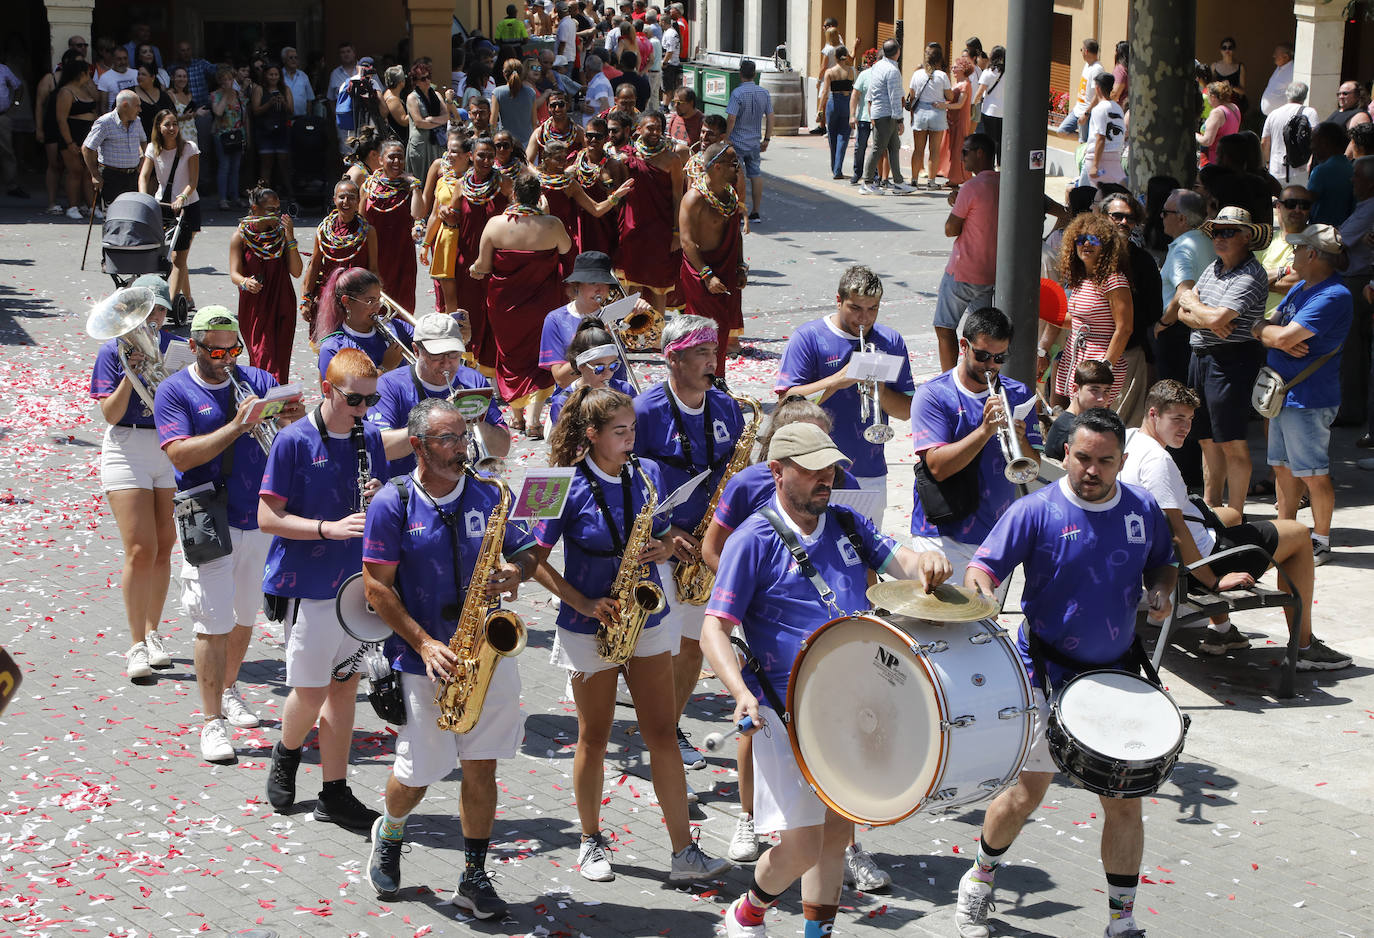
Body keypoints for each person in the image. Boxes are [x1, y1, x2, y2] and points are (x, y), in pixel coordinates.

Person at [700, 423, 952, 938]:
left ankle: (819, 934)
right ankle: (745, 914)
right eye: (812, 470)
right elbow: (714, 629)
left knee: (836, 834)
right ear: (777, 472)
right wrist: (741, 693)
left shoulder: (847, 522)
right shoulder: (752, 540)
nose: (826, 478)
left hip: (853, 704)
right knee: (804, 843)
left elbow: (902, 563)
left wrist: (924, 560)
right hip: (784, 710)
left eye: (830, 468)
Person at [953, 408, 1176, 938]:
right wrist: (981, 591)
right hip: (1046, 672)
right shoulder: (1035, 510)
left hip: (1118, 673)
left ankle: (1121, 923)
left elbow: (1163, 562)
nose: (1092, 470)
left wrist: (1163, 590)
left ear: (1123, 460)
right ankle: (979, 880)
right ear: (1064, 456)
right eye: (1082, 458)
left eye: (1105, 460)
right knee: (1028, 792)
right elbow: (982, 568)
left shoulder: (1142, 507)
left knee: (1124, 803)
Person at [529, 387, 733, 885]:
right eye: (619, 432)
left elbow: (665, 531)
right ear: (591, 434)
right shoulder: (555, 481)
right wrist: (578, 601)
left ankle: (684, 850)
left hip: (645, 617)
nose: (630, 440)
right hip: (588, 622)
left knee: (662, 733)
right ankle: (590, 839)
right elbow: (528, 558)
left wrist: (666, 545)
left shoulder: (649, 474)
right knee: (593, 738)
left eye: (634, 430)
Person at [362, 398, 537, 917]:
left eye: (462, 438)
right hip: (427, 658)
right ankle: (389, 831)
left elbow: (526, 551)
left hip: (488, 652)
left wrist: (518, 572)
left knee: (481, 769)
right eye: (447, 440)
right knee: (419, 773)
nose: (461, 448)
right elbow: (376, 587)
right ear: (417, 445)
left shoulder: (490, 492)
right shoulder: (392, 502)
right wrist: (422, 642)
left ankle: (474, 876)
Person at [154, 307, 306, 761]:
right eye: (216, 350)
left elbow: (295, 439)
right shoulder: (175, 390)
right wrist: (238, 426)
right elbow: (180, 456)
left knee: (244, 616)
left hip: (257, 515)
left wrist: (292, 419)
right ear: (195, 346)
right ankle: (211, 722)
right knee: (211, 622)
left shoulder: (256, 380)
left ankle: (229, 688)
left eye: (233, 348)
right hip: (206, 513)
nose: (226, 358)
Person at [1121, 380, 1350, 670]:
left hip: (1156, 560)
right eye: (1177, 419)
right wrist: (1213, 581)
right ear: (1153, 414)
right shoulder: (1157, 461)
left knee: (1230, 514)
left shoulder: (1130, 440)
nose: (1185, 427)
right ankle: (1305, 647)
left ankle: (1222, 631)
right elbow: (1177, 534)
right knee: (1299, 534)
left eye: (1190, 420)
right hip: (1195, 565)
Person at [259, 347, 388, 827]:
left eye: (371, 401)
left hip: (356, 582)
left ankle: (335, 791)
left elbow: (388, 504)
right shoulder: (293, 440)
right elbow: (266, 516)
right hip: (310, 581)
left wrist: (381, 498)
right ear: (327, 390)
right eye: (355, 401)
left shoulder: (369, 438)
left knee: (344, 688)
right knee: (310, 691)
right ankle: (287, 752)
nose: (364, 411)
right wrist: (326, 528)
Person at [631, 316, 747, 779]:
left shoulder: (727, 407)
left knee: (696, 648)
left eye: (714, 352)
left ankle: (669, 728)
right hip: (666, 544)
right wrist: (661, 534)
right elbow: (628, 479)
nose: (712, 362)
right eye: (702, 353)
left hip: (708, 542)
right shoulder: (644, 411)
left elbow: (735, 474)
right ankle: (658, 737)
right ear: (672, 358)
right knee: (668, 650)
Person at [910, 307, 1041, 591]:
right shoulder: (933, 395)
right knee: (942, 628)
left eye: (999, 358)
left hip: (995, 536)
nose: (990, 365)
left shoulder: (1018, 395)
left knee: (984, 629)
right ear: (964, 346)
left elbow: (1032, 468)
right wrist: (984, 431)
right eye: (982, 355)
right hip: (942, 534)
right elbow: (936, 467)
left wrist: (1023, 441)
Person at [90, 274, 180, 681]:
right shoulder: (113, 350)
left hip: (167, 447)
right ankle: (135, 645)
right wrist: (132, 373)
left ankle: (154, 632)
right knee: (140, 549)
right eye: (149, 310)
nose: (155, 317)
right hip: (127, 447)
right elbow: (109, 414)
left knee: (165, 547)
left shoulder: (177, 348)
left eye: (160, 310)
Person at [776, 265, 915, 525]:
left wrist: (880, 390)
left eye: (872, 308)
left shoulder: (892, 341)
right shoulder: (808, 338)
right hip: (813, 469)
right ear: (838, 301)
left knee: (868, 558)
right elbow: (786, 403)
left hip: (869, 470)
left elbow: (906, 411)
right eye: (856, 308)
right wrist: (840, 379)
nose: (864, 318)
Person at [1253, 225, 1352, 567]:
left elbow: (1277, 334)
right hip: (1286, 395)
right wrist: (1270, 332)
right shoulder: (1300, 287)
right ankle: (1286, 533)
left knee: (1313, 473)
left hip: (1308, 398)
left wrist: (1271, 333)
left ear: (1312, 254)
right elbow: (1266, 327)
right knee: (1282, 469)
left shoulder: (1334, 295)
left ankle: (1320, 541)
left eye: (1297, 249)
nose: (1292, 254)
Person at [1176, 206, 1271, 513]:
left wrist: (1193, 304)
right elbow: (1182, 312)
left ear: (1246, 237)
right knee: (1205, 438)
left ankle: (1236, 513)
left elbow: (1215, 314)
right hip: (1202, 357)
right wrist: (1202, 313)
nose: (1220, 237)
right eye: (1217, 231)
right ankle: (1212, 506)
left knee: (1231, 440)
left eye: (1228, 232)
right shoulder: (1214, 267)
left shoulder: (1252, 273)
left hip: (1232, 360)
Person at [471, 171, 572, 436]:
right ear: (539, 196)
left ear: (514, 194)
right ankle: (533, 419)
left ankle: (516, 416)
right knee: (539, 355)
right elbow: (565, 249)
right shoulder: (552, 224)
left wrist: (474, 269)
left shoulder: (495, 224)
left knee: (511, 356)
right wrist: (546, 214)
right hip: (542, 302)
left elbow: (483, 265)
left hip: (505, 304)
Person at [369, 313, 509, 478]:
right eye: (437, 355)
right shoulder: (389, 385)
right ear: (416, 350)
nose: (447, 363)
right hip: (410, 487)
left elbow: (503, 447)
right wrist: (436, 421)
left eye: (454, 354)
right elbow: (381, 448)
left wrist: (476, 423)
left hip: (465, 482)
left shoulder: (473, 380)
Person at [1047, 212, 1132, 405]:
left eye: (1094, 239)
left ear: (1107, 245)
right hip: (1074, 357)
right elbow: (1079, 321)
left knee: (1090, 425)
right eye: (1081, 239)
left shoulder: (1113, 280)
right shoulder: (1081, 279)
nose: (1086, 244)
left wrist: (1105, 368)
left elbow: (1125, 328)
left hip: (1098, 363)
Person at [679, 142, 747, 374]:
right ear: (717, 167)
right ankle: (698, 380)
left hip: (726, 270)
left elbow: (736, 233)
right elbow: (687, 242)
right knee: (702, 333)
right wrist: (707, 276)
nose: (737, 169)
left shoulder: (730, 196)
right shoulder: (694, 199)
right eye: (733, 164)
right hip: (701, 274)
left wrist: (740, 266)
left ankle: (716, 380)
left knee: (722, 330)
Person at [934, 133, 999, 370]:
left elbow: (950, 229)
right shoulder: (1005, 182)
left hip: (963, 272)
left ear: (979, 153)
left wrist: (959, 200)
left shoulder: (972, 187)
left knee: (944, 326)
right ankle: (977, 375)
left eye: (965, 152)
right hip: (990, 275)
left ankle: (948, 377)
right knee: (980, 333)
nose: (962, 158)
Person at [614, 112, 685, 329]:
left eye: (658, 128)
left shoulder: (672, 160)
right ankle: (628, 333)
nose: (654, 132)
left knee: (659, 285)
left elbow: (677, 198)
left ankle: (658, 334)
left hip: (660, 230)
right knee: (630, 284)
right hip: (631, 228)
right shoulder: (625, 157)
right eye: (649, 128)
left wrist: (676, 233)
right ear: (638, 129)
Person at [1098, 194, 1162, 426]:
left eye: (1131, 218)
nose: (1124, 222)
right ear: (1102, 217)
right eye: (1117, 216)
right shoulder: (1087, 255)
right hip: (1086, 353)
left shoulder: (1143, 261)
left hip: (1126, 356)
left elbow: (1153, 311)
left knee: (1118, 428)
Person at [229, 185, 301, 383]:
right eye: (271, 210)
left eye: (278, 209)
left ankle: (277, 406)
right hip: (255, 306)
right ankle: (264, 403)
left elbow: (296, 271)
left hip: (283, 302)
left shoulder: (280, 235)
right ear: (254, 210)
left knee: (281, 359)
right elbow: (234, 273)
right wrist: (245, 281)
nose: (276, 214)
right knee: (262, 356)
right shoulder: (240, 237)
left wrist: (290, 238)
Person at [139, 109, 201, 310]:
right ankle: (188, 298)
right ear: (159, 127)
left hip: (187, 206)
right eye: (167, 124)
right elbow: (144, 176)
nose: (172, 128)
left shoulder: (189, 148)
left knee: (178, 257)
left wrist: (182, 196)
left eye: (175, 124)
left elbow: (193, 180)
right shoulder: (152, 148)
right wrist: (143, 198)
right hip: (162, 205)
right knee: (175, 256)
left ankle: (170, 303)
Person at [300, 179, 379, 334]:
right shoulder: (324, 230)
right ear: (334, 200)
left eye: (351, 197)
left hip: (358, 297)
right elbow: (315, 265)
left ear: (358, 201)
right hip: (328, 297)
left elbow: (373, 269)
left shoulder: (368, 232)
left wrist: (374, 300)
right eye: (342, 197)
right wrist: (306, 299)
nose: (346, 202)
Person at [1154, 188, 1215, 385]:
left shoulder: (1182, 248)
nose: (1161, 217)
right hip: (1199, 328)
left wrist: (1163, 323)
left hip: (1178, 331)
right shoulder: (1209, 242)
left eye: (1165, 213)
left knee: (1173, 394)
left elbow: (1184, 291)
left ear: (1181, 219)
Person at [362, 138, 424, 316]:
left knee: (402, 303)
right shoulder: (369, 186)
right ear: (380, 159)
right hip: (375, 254)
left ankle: (400, 341)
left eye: (400, 157)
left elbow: (418, 213)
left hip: (402, 254)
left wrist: (415, 186)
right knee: (373, 300)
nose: (397, 162)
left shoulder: (409, 186)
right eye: (392, 157)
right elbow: (360, 221)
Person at [546, 319, 639, 424]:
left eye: (613, 366)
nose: (608, 374)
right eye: (599, 369)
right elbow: (563, 439)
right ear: (581, 366)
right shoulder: (563, 402)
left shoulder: (625, 390)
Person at [1339, 158, 1374, 429]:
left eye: (1357, 177)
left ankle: (1351, 410)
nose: (1352, 181)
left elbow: (1337, 239)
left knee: (1352, 353)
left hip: (1359, 282)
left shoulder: (1369, 208)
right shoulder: (1363, 206)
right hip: (1359, 280)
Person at [860, 40, 911, 195]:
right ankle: (867, 182)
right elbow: (895, 97)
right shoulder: (892, 71)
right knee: (878, 148)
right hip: (886, 114)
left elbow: (872, 90)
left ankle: (899, 182)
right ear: (897, 52)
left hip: (879, 112)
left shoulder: (877, 66)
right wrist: (900, 120)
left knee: (894, 147)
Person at [725, 59, 773, 222]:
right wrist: (767, 138)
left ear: (740, 74)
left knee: (737, 175)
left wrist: (726, 137)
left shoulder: (737, 93)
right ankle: (756, 212)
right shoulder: (764, 93)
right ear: (754, 74)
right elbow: (771, 117)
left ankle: (739, 211)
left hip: (737, 140)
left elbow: (731, 118)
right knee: (755, 174)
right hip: (754, 141)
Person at [82, 89, 146, 210]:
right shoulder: (105, 122)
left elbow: (143, 140)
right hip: (111, 176)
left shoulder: (137, 121)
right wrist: (95, 174)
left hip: (132, 175)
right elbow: (87, 148)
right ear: (125, 105)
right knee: (112, 214)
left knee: (130, 213)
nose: (140, 110)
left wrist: (142, 157)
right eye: (137, 106)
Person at [54, 55, 100, 218]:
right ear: (80, 73)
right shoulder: (66, 92)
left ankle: (91, 206)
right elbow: (61, 119)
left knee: (89, 171)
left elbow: (97, 98)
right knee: (75, 171)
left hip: (88, 135)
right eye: (87, 73)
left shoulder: (85, 89)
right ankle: (73, 206)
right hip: (72, 134)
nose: (89, 76)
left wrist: (90, 84)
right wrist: (69, 142)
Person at [1259, 185, 1314, 317]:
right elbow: (1248, 280)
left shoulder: (1317, 240)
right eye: (1291, 204)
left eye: (1304, 205)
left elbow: (1303, 282)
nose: (1297, 209)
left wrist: (1264, 283)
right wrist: (1285, 272)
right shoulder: (1265, 242)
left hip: (1299, 326)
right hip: (1262, 326)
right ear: (1278, 207)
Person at [1044, 359, 1114, 461]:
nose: (1102, 399)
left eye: (1106, 391)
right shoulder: (1073, 430)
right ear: (1075, 390)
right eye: (1094, 390)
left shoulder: (1079, 424)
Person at [906, 42, 952, 189]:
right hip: (937, 112)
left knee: (918, 149)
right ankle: (931, 182)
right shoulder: (942, 76)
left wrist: (912, 115)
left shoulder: (917, 74)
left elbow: (912, 96)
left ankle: (914, 180)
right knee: (934, 150)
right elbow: (949, 95)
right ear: (940, 59)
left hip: (920, 112)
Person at [1261, 82, 1319, 185]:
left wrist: (1268, 163)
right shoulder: (1310, 112)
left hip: (1276, 169)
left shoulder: (1273, 114)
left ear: (1287, 94)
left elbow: (1265, 143)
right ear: (1305, 95)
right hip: (1301, 171)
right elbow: (1316, 140)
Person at [251, 64, 294, 196]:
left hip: (281, 130)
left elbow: (291, 111)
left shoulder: (285, 89)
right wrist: (269, 103)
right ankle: (264, 196)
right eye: (271, 74)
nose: (273, 77)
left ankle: (289, 195)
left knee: (283, 164)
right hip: (265, 131)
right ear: (265, 75)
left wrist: (283, 102)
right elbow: (255, 111)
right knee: (266, 165)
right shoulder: (259, 89)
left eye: (276, 74)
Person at [406, 61, 454, 179]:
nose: (427, 81)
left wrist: (432, 119)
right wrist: (438, 122)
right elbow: (419, 123)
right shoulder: (412, 97)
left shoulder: (436, 95)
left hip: (437, 143)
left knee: (438, 177)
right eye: (423, 79)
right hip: (420, 145)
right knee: (421, 179)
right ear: (416, 81)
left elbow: (446, 116)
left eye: (428, 77)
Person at [1079, 72, 1126, 188]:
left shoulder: (1099, 109)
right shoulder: (1118, 108)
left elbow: (1100, 137)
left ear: (1097, 88)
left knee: (1084, 194)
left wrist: (1095, 165)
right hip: (1115, 157)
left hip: (1097, 159)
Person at [817, 47, 855, 180]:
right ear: (845, 56)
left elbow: (825, 92)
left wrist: (820, 110)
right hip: (846, 103)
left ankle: (835, 167)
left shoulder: (830, 72)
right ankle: (838, 168)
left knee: (832, 136)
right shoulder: (851, 71)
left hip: (833, 103)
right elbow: (854, 91)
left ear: (835, 57)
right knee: (844, 137)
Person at [1306, 121, 1355, 226]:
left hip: (1321, 234)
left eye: (1314, 141)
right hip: (1344, 232)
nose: (1311, 147)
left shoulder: (1321, 171)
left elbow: (1305, 204)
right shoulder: (1351, 168)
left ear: (1325, 143)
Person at [210, 66, 245, 209]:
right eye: (224, 80)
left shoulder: (239, 95)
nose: (227, 82)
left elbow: (244, 115)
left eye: (230, 79)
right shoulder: (215, 95)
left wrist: (246, 135)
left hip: (237, 132)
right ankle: (223, 199)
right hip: (222, 134)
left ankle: (235, 197)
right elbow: (218, 112)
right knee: (224, 165)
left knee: (236, 167)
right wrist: (226, 94)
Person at [1059, 38, 1104, 141]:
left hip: (1086, 113)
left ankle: (1087, 142)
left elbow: (1098, 95)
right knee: (1062, 131)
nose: (1081, 52)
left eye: (1081, 49)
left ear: (1086, 51)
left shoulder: (1097, 69)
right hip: (1077, 110)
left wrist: (1086, 113)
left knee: (1083, 144)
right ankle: (1087, 140)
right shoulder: (1087, 65)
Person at [527, 88, 585, 164]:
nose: (557, 109)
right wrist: (538, 174)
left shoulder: (578, 132)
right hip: (546, 174)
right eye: (553, 105)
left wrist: (573, 169)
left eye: (561, 104)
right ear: (548, 108)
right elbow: (527, 162)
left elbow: (589, 157)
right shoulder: (539, 133)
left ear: (567, 106)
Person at [492, 59, 539, 151]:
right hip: (528, 143)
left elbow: (493, 122)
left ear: (504, 73)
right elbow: (534, 122)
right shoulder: (531, 92)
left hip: (505, 145)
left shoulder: (497, 92)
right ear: (522, 73)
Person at [1196, 81, 1240, 168]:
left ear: (1212, 97)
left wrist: (1195, 135)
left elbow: (1207, 141)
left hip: (1213, 162)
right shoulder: (1235, 108)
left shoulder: (1217, 112)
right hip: (1229, 159)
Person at [973, 45, 1006, 160]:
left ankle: (990, 163)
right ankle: (1000, 164)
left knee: (990, 139)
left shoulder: (988, 72)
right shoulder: (1009, 73)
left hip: (989, 111)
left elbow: (980, 92)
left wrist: (973, 105)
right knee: (1001, 139)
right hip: (1004, 111)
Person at [130, 64, 172, 141]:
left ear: (152, 77)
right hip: (137, 139)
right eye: (138, 74)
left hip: (159, 139)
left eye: (143, 74)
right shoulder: (130, 94)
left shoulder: (163, 96)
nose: (139, 77)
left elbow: (171, 115)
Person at [97, 47, 138, 112]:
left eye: (125, 58)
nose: (123, 62)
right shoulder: (105, 77)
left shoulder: (136, 74)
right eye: (119, 59)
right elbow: (103, 105)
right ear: (113, 60)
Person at [1259, 44, 1295, 116]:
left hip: (1281, 116)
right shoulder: (1280, 67)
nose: (1273, 56)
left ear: (1286, 57)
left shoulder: (1293, 71)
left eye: (1276, 54)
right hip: (1271, 115)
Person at [279, 47, 313, 118]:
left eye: (296, 57)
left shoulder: (303, 76)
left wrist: (308, 117)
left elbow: (309, 99)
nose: (294, 60)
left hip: (302, 118)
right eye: (291, 58)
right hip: (284, 118)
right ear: (284, 60)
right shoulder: (279, 76)